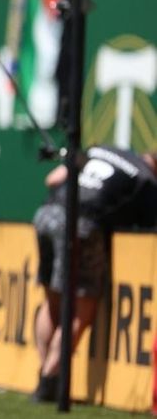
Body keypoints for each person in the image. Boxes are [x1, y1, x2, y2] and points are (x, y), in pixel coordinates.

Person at [31, 145, 157, 402]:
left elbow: (52, 179)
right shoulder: (146, 180)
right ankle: (49, 378)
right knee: (81, 309)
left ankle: (46, 374)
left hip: (46, 214)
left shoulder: (100, 149)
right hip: (83, 223)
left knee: (52, 302)